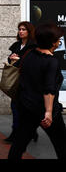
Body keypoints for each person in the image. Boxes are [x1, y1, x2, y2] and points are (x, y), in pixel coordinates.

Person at [8, 22, 66, 159]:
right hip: (46, 112)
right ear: (52, 42)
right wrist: (49, 112)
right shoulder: (52, 61)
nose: (59, 43)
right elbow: (49, 89)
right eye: (58, 40)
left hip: (27, 108)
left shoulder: (29, 55)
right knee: (62, 145)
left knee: (18, 145)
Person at [4, 21, 37, 143]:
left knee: (26, 109)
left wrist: (19, 59)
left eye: (24, 29)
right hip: (16, 81)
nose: (21, 31)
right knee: (15, 107)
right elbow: (10, 58)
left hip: (28, 82)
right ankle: (16, 133)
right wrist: (11, 58)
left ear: (29, 31)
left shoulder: (34, 46)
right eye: (19, 29)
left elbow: (33, 63)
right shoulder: (17, 45)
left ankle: (30, 132)